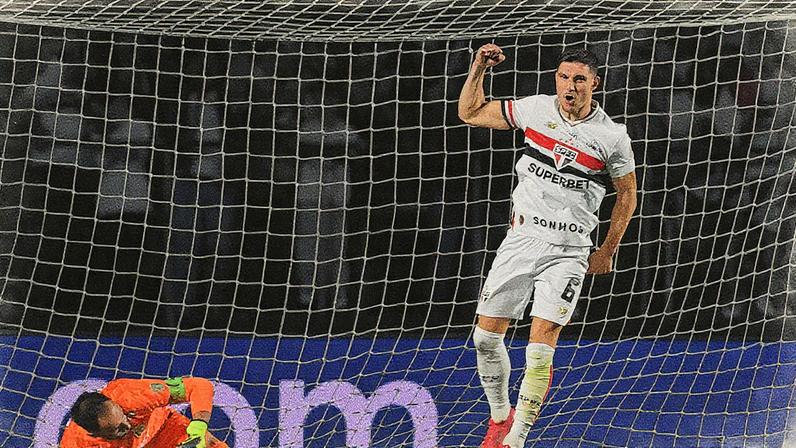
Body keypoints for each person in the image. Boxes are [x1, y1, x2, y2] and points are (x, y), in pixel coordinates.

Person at [458, 44, 638, 448]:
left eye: (578, 78)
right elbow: (470, 112)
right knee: (485, 339)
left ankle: (515, 440)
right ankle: (500, 419)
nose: (568, 86)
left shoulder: (611, 137)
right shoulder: (535, 109)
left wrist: (607, 249)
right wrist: (478, 69)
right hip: (521, 240)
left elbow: (627, 194)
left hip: (569, 251)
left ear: (595, 83)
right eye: (562, 76)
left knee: (540, 347)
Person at [60, 376, 228, 448]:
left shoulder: (130, 394)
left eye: (124, 417)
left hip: (166, 431)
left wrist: (198, 427)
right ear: (94, 433)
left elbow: (199, 386)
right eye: (117, 430)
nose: (127, 426)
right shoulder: (76, 442)